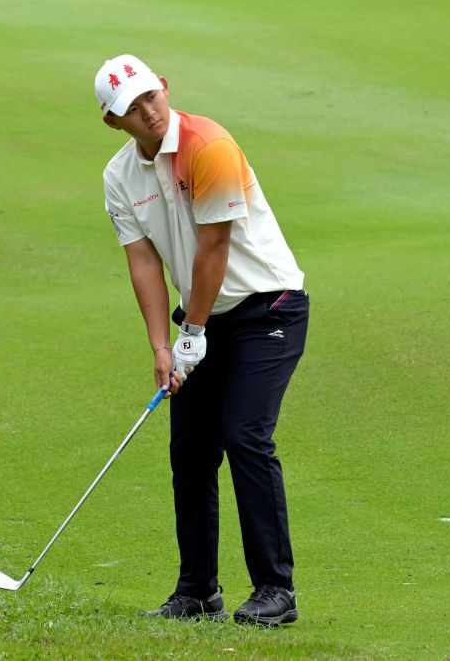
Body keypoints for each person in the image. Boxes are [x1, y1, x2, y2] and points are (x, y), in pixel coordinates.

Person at [95, 54, 309, 626]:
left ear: (164, 88)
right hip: (202, 317)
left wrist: (191, 333)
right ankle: (197, 592)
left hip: (268, 308)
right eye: (131, 108)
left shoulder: (208, 145)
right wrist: (161, 346)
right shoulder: (119, 177)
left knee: (245, 436)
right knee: (189, 450)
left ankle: (276, 590)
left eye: (151, 97)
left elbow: (215, 247)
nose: (148, 112)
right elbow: (144, 262)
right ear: (113, 121)